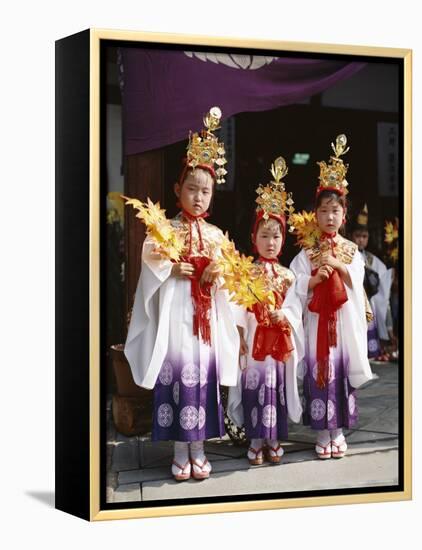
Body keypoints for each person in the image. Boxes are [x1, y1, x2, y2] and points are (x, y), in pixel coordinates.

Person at [124, 107, 239, 481]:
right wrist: (170, 268)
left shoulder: (218, 235)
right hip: (176, 317)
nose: (199, 196)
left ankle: (200, 448)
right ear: (178, 190)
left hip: (204, 320)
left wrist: (219, 274)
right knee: (176, 375)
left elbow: (231, 278)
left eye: (206, 191)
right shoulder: (164, 230)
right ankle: (178, 449)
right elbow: (149, 266)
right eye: (192, 188)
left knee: (202, 375)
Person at [289, 135, 373, 459]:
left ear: (344, 214)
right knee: (320, 374)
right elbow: (294, 281)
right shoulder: (307, 252)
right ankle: (322, 433)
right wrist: (311, 281)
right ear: (315, 214)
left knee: (339, 376)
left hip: (341, 325)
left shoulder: (351, 250)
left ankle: (338, 431)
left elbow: (359, 280)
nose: (329, 216)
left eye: (335, 210)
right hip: (316, 326)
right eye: (323, 210)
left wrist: (338, 265)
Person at [227, 157, 303, 466]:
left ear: (283, 239)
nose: (270, 242)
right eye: (264, 236)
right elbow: (235, 308)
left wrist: (284, 315)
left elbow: (296, 306)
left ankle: (274, 439)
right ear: (253, 238)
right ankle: (256, 439)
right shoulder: (246, 272)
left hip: (279, 342)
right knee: (255, 388)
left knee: (277, 389)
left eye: (276, 236)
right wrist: (240, 333)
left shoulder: (288, 275)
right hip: (256, 339)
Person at [351, 205, 394, 360]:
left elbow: (383, 276)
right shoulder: (347, 254)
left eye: (364, 236)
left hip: (368, 301)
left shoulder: (371, 258)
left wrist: (391, 276)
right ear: (351, 236)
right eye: (358, 236)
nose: (361, 240)